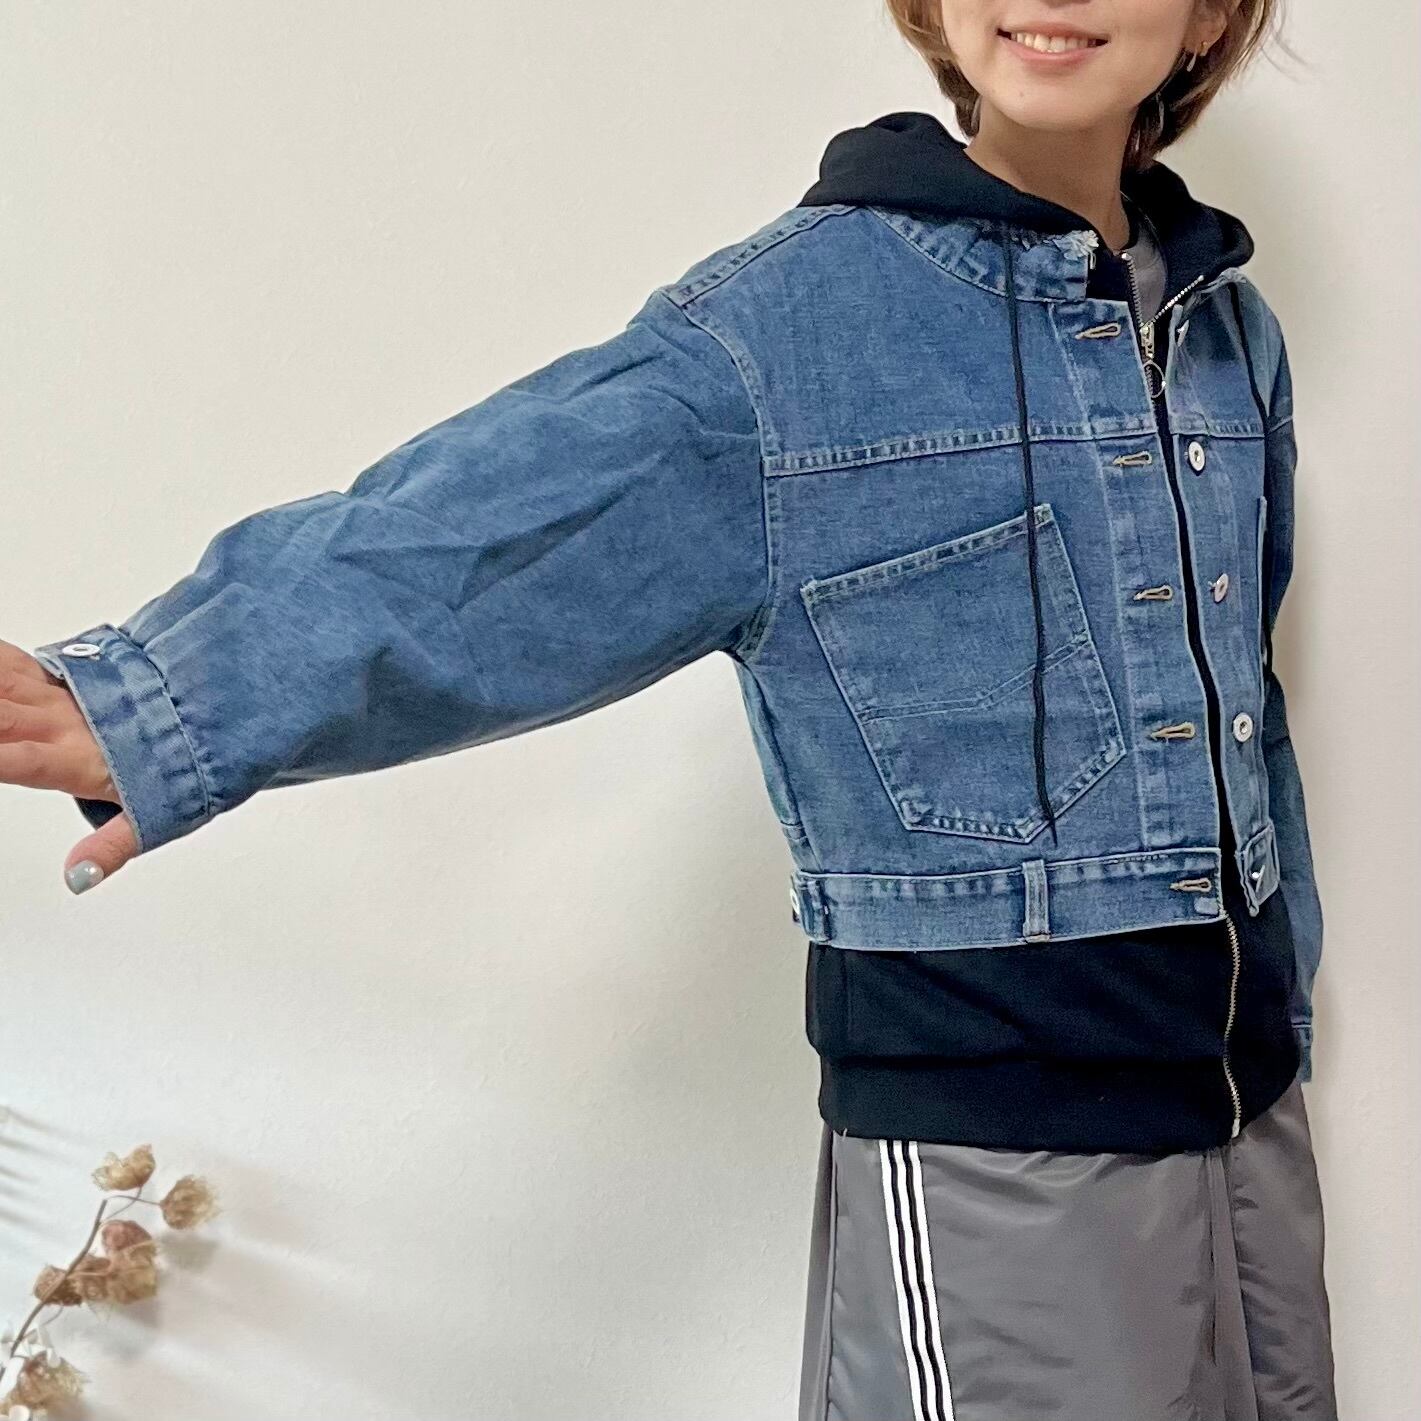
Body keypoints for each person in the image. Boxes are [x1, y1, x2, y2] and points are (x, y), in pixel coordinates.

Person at [1, 0, 1336, 1415]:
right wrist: (159, 708)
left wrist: (1283, 1015)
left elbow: (1238, 726)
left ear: (1208, 15)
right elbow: (479, 536)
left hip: (1249, 1114)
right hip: (1001, 1146)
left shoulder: (1221, 328)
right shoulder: (786, 334)